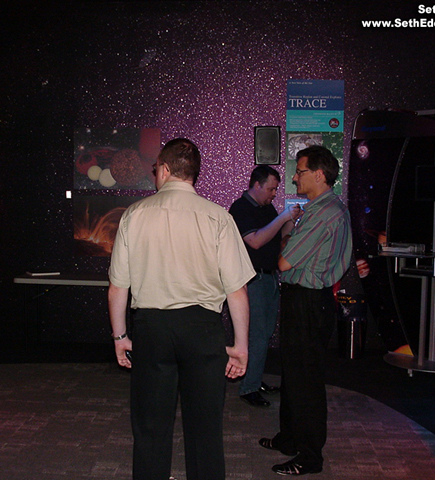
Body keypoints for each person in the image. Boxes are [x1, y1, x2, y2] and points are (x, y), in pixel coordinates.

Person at [108, 138, 255, 480]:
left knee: (150, 427)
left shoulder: (134, 214)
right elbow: (237, 290)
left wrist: (120, 336)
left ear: (164, 169)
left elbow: (118, 287)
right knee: (205, 429)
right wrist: (241, 346)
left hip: (152, 329)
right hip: (202, 329)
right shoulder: (218, 217)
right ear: (193, 173)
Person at [259, 145, 352, 476]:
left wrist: (285, 244)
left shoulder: (323, 214)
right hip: (307, 300)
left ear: (319, 175)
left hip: (308, 302)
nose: (295, 177)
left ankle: (310, 456)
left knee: (306, 380)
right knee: (294, 373)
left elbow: (284, 262)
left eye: (300, 171)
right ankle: (290, 438)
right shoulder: (325, 209)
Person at [229, 165, 301, 407]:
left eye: (276, 189)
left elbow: (278, 237)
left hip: (269, 277)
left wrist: (291, 220)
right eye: (271, 189)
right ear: (257, 185)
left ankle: (254, 380)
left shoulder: (266, 208)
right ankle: (249, 387)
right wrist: (283, 217)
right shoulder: (240, 208)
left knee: (264, 333)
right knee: (258, 335)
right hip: (253, 280)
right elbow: (256, 241)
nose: (274, 194)